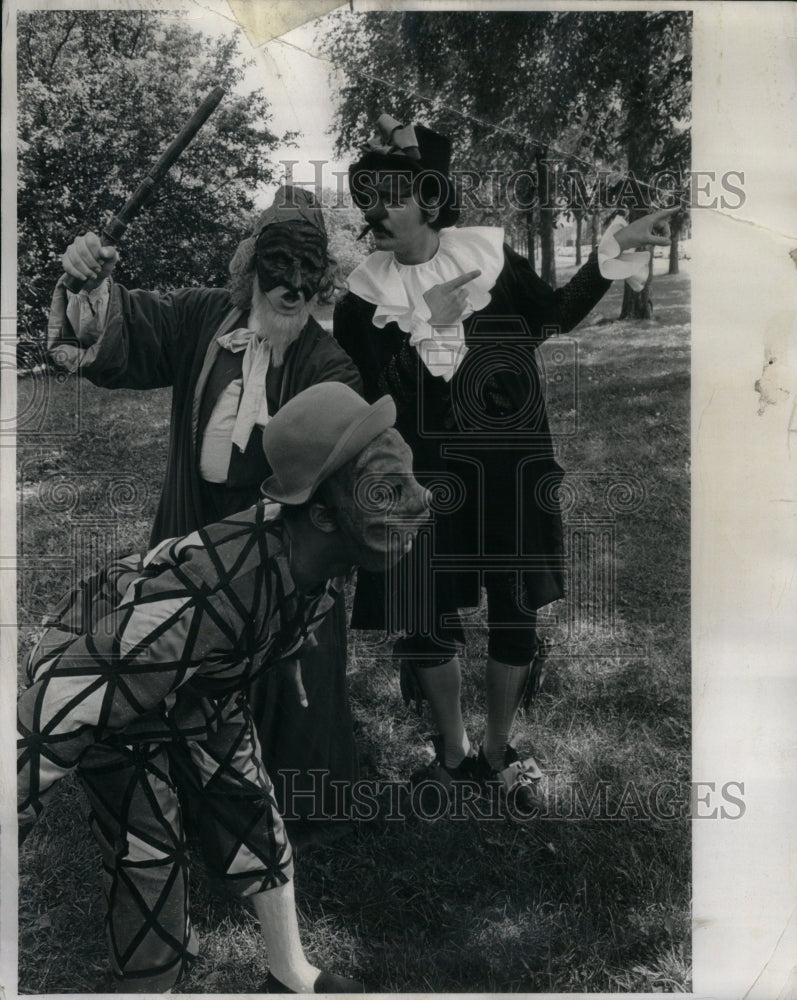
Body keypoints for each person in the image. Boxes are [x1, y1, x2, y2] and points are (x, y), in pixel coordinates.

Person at [18, 382, 431, 993]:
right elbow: (64, 702)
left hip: (200, 681)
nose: (421, 502)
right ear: (321, 514)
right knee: (148, 845)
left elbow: (273, 621)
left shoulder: (313, 559)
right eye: (388, 492)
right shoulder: (212, 594)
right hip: (108, 665)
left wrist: (274, 657)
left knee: (249, 801)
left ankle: (289, 972)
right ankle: (150, 984)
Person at [334, 114, 675, 809]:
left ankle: (498, 747)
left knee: (515, 602)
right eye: (366, 197)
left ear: (429, 200)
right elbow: (380, 398)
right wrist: (425, 323)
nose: (375, 212)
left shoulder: (487, 255)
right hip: (422, 475)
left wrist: (609, 255)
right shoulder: (359, 304)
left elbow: (548, 318)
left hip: (513, 461)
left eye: (391, 195)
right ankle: (455, 752)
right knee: (422, 609)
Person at [49, 186, 362, 831]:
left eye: (311, 268)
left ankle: (280, 808)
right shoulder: (202, 318)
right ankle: (180, 798)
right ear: (250, 268)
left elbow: (340, 483)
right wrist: (90, 282)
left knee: (279, 686)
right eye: (280, 263)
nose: (295, 283)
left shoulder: (331, 368)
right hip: (188, 535)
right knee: (173, 669)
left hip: (276, 556)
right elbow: (124, 329)